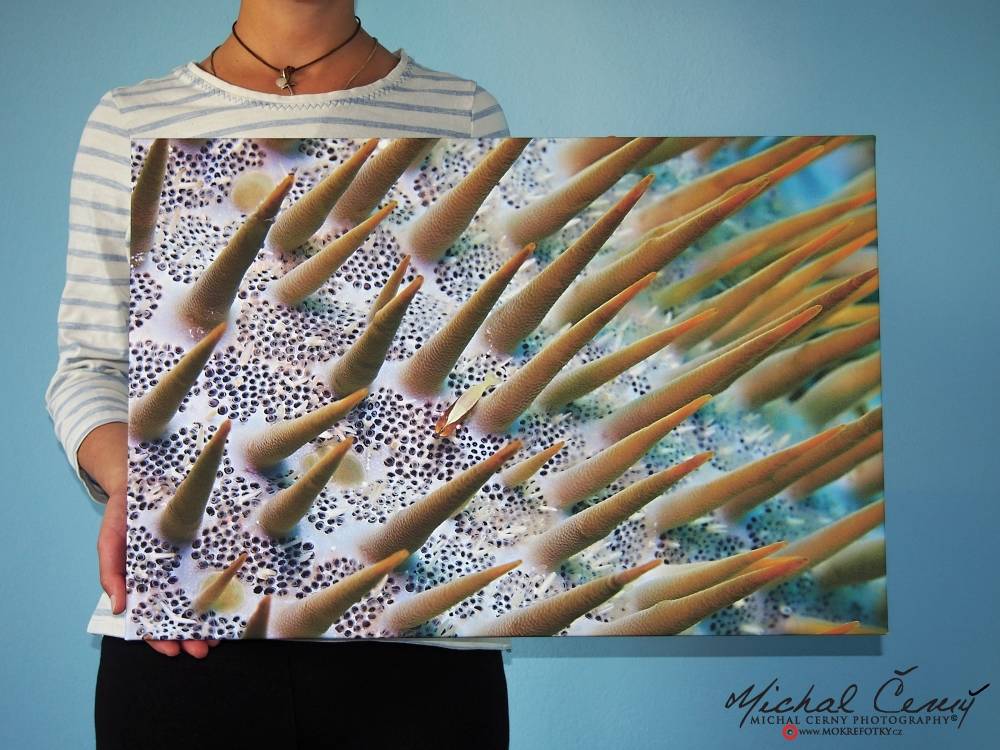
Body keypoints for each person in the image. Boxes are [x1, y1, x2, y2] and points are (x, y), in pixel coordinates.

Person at [45, 1, 511, 747]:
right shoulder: (129, 118)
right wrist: (139, 490)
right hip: (187, 641)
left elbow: (491, 369)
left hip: (418, 649)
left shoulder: (463, 111)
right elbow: (88, 368)